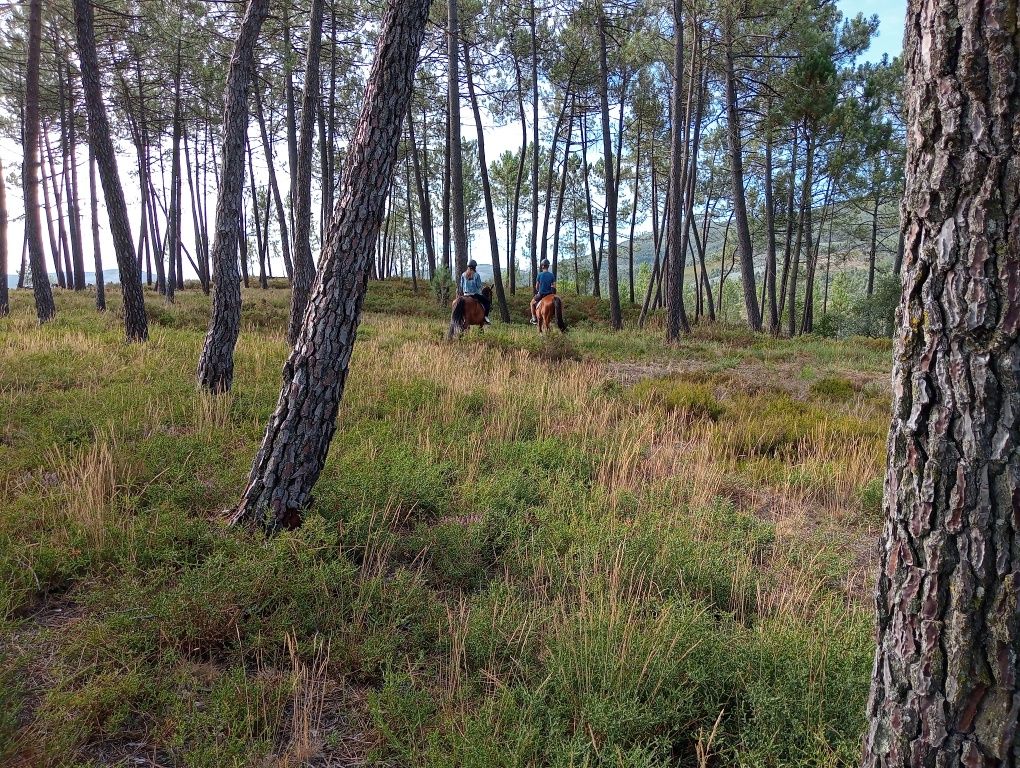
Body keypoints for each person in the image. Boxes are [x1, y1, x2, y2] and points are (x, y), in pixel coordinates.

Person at [459, 259, 491, 324]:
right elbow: (479, 286)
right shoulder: (476, 275)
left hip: (465, 295)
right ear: (474, 267)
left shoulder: (463, 274)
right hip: (474, 295)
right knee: (487, 302)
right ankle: (485, 317)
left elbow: (461, 286)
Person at [530, 259, 556, 324]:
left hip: (541, 294)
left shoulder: (539, 275)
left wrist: (539, 290)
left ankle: (534, 318)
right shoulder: (551, 275)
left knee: (532, 303)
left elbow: (536, 286)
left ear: (542, 266)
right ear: (548, 266)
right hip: (549, 294)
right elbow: (554, 287)